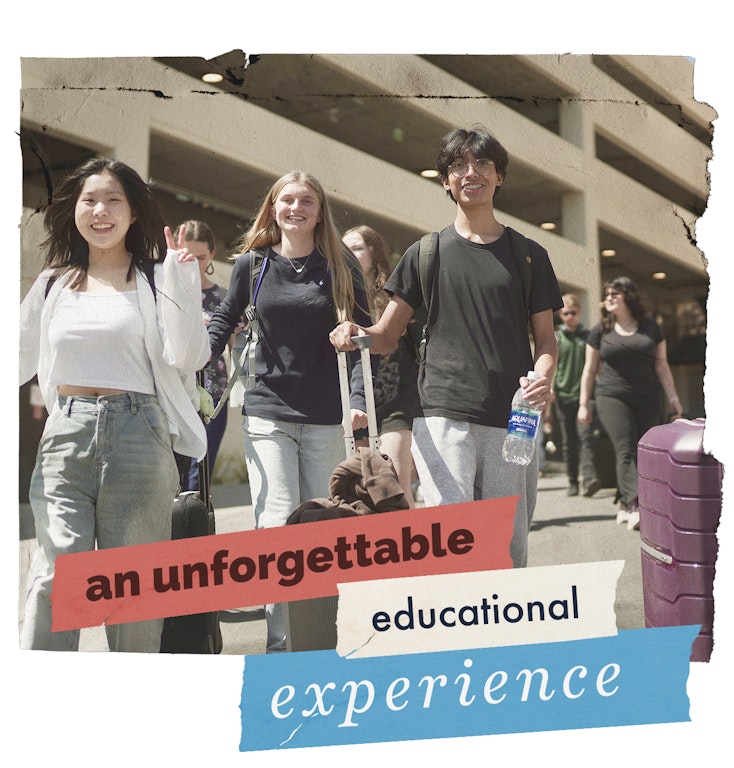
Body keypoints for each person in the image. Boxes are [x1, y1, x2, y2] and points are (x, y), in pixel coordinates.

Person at [330, 126, 563, 568]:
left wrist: (543, 378)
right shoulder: (426, 253)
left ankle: (506, 631)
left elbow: (546, 339)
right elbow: (385, 335)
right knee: (451, 544)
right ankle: (456, 633)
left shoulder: (529, 255)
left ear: (499, 177)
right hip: (442, 414)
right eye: (457, 165)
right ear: (445, 180)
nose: (470, 173)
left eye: (482, 165)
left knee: (508, 545)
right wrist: (352, 333)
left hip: (513, 417)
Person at [19, 157, 210, 652]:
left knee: (132, 588)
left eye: (113, 200)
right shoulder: (52, 285)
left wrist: (184, 288)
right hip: (66, 435)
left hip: (138, 435)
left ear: (131, 212)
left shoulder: (155, 277)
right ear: (74, 211)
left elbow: (186, 356)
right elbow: (12, 361)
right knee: (58, 576)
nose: (100, 211)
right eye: (89, 200)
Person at [207, 170, 373, 652]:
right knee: (278, 525)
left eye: (306, 200)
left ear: (320, 212)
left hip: (326, 416)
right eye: (287, 200)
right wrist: (205, 350)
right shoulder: (254, 263)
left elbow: (365, 339)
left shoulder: (340, 265)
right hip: (267, 412)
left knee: (322, 535)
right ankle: (282, 648)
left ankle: (322, 642)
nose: (295, 208)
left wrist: (359, 402)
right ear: (273, 207)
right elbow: (226, 315)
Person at [577, 276, 683, 531]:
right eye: (607, 294)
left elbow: (662, 364)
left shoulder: (651, 327)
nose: (609, 298)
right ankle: (636, 504)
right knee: (625, 448)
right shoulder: (600, 330)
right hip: (611, 395)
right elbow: (590, 370)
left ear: (629, 296)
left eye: (615, 293)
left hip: (647, 396)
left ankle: (625, 503)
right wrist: (583, 404)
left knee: (643, 449)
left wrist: (674, 400)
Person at [342, 225, 420, 507]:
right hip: (356, 404)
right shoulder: (337, 299)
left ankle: (412, 545)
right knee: (364, 487)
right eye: (344, 250)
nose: (349, 254)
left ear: (374, 254)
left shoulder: (393, 295)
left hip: (396, 402)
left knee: (395, 481)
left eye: (357, 248)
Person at [173, 220, 231, 492]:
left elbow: (236, 346)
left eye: (200, 257)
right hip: (173, 393)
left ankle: (197, 529)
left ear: (212, 254)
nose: (193, 263)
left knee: (200, 474)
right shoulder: (164, 292)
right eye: (187, 256)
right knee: (175, 473)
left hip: (213, 396)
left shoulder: (223, 297)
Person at [552, 293, 601, 497]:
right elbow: (552, 363)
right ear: (561, 315)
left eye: (573, 312)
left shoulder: (588, 335)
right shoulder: (557, 336)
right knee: (569, 442)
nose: (569, 316)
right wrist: (551, 387)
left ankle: (589, 479)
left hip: (584, 396)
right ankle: (573, 481)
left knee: (585, 437)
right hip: (563, 396)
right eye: (565, 313)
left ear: (579, 312)